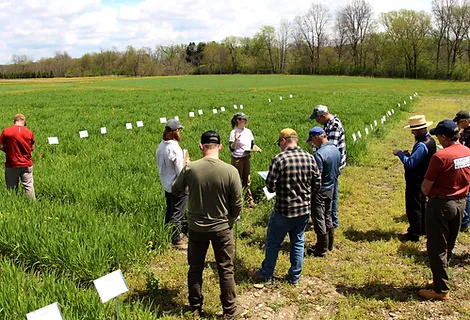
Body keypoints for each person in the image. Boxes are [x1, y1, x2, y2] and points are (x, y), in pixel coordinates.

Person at [172, 131, 243, 319]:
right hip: (222, 228)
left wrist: (186, 170)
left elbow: (175, 189)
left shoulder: (191, 168)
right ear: (220, 147)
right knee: (225, 268)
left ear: (201, 147)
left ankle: (195, 307)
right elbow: (237, 204)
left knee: (195, 267)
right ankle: (230, 310)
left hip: (196, 228)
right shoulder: (230, 171)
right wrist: (230, 220)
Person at [256, 129, 321, 285]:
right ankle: (294, 277)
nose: (280, 145)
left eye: (280, 142)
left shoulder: (279, 159)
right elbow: (317, 184)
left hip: (283, 210)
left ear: (284, 141)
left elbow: (270, 187)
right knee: (298, 242)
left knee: (273, 243)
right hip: (304, 210)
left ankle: (267, 274)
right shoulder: (310, 158)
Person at [418, 120, 470, 300]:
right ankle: (440, 278)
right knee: (449, 243)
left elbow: (425, 187)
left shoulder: (440, 157)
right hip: (461, 202)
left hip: (441, 205)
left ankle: (440, 290)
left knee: (436, 247)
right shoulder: (467, 152)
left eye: (438, 135)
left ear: (444, 137)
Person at [392, 115, 436, 242]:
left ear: (419, 130)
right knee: (422, 205)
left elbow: (410, 164)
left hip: (416, 181)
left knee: (414, 207)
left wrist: (400, 154)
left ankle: (414, 233)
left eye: (413, 130)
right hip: (423, 178)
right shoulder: (431, 141)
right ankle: (423, 229)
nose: (412, 132)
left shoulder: (422, 145)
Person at [305, 127, 341, 256]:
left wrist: (311, 190)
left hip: (320, 191)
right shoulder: (335, 150)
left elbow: (317, 176)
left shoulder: (319, 154)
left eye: (312, 141)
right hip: (331, 188)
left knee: (318, 218)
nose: (312, 144)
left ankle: (321, 249)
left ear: (316, 137)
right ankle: (330, 244)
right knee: (328, 215)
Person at [310, 105, 345, 229]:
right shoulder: (328, 124)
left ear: (323, 116)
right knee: (330, 192)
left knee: (331, 192)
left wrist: (316, 149)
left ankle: (331, 221)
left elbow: (330, 150)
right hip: (330, 162)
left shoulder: (334, 125)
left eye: (317, 119)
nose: (316, 121)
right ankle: (328, 219)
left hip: (333, 164)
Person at [156, 119, 189, 249]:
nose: (180, 132)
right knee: (177, 213)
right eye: (178, 130)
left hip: (166, 184)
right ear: (174, 132)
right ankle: (176, 240)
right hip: (177, 185)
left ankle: (167, 234)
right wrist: (186, 162)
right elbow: (180, 171)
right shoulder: (174, 148)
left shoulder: (161, 146)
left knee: (169, 210)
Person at [229, 112, 262, 207]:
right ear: (238, 121)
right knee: (237, 180)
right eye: (243, 119)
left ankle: (249, 199)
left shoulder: (248, 131)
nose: (246, 121)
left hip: (247, 157)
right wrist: (236, 140)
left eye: (246, 119)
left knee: (247, 179)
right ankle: (237, 201)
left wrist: (256, 148)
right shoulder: (233, 132)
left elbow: (252, 144)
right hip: (237, 158)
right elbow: (232, 148)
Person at [0, 114, 36, 199]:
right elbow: (32, 148)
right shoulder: (29, 132)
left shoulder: (6, 131)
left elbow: (0, 145)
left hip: (12, 163)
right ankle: (32, 204)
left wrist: (8, 151)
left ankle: (13, 203)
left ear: (14, 121)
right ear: (23, 121)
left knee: (11, 187)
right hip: (26, 163)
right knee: (29, 186)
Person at [454, 110, 470, 232]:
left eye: (459, 122)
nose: (458, 125)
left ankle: (464, 222)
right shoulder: (464, 131)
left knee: (467, 193)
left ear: (466, 122)